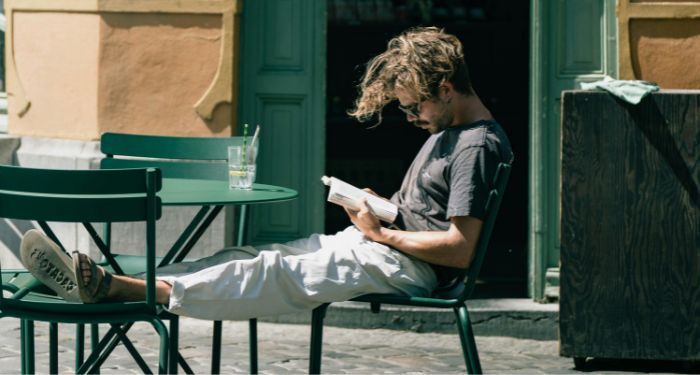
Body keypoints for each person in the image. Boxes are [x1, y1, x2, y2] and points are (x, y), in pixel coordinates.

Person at [20, 26, 513, 320]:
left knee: (271, 274)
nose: (411, 119)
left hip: (405, 267)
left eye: (414, 108)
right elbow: (427, 215)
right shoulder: (446, 134)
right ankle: (110, 281)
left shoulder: (474, 145)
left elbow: (460, 249)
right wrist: (379, 209)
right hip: (379, 246)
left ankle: (115, 290)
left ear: (446, 89)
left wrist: (382, 232)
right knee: (250, 254)